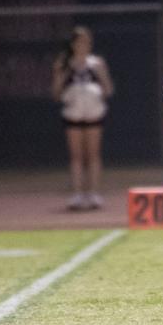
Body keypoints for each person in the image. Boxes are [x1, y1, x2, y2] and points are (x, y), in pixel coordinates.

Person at [51, 26, 113, 210]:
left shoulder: (97, 63)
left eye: (86, 41)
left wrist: (100, 79)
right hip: (73, 115)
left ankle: (93, 193)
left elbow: (108, 89)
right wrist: (62, 73)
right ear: (72, 44)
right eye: (79, 42)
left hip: (93, 113)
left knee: (93, 154)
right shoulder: (64, 65)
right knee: (76, 156)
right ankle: (77, 193)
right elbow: (56, 93)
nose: (83, 45)